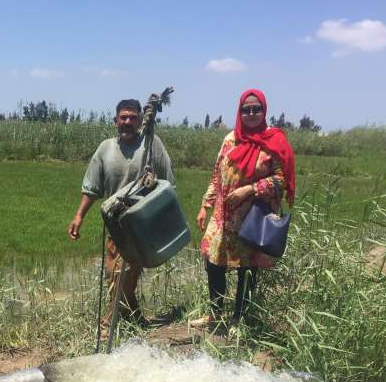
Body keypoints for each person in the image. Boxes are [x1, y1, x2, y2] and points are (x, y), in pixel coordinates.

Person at [190, 89, 295, 335]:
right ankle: (215, 313)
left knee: (247, 270)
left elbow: (282, 179)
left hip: (252, 218)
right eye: (246, 109)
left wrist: (249, 189)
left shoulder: (274, 142)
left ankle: (239, 319)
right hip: (223, 216)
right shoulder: (230, 139)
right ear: (240, 111)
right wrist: (205, 205)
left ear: (264, 111)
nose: (251, 114)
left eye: (256, 109)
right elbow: (217, 175)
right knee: (214, 265)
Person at [68, 99, 174, 327]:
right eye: (123, 117)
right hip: (115, 224)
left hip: (141, 225)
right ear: (115, 121)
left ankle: (109, 321)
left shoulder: (152, 145)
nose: (128, 122)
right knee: (112, 274)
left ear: (140, 120)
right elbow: (92, 187)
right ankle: (135, 318)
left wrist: (165, 220)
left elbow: (168, 184)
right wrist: (79, 216)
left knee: (124, 273)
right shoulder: (105, 149)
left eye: (133, 118)